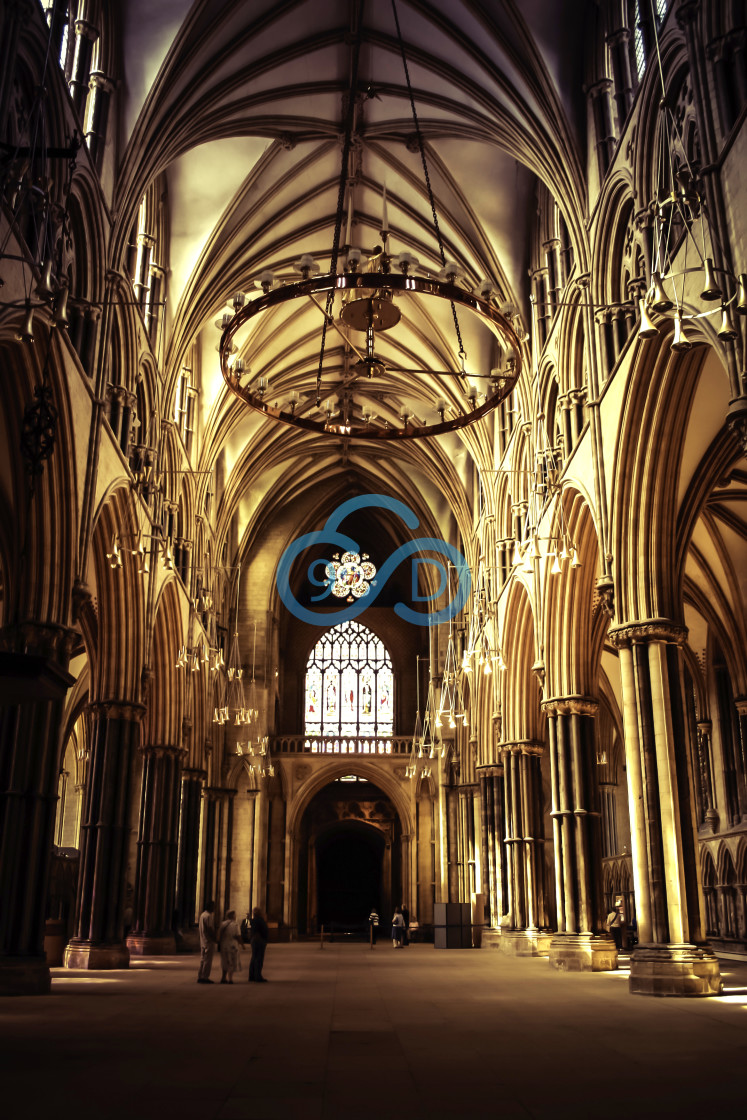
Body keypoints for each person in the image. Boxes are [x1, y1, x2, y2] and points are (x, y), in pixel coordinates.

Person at [218, 908, 243, 983]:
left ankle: (223, 978)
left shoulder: (223, 924)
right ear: (233, 916)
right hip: (233, 945)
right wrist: (242, 944)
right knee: (232, 961)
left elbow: (219, 934)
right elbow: (238, 935)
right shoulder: (235, 924)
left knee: (225, 961)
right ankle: (230, 979)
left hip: (224, 945)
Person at [197, 900, 217, 984]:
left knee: (203, 959)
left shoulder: (202, 915)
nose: (214, 908)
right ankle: (205, 977)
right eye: (213, 906)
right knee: (207, 960)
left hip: (203, 940)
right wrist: (215, 939)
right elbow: (209, 929)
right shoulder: (208, 916)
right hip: (208, 941)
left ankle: (200, 976)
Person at [248, 907, 269, 982]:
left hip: (255, 940)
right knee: (259, 958)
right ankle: (257, 976)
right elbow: (263, 930)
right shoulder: (259, 920)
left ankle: (252, 975)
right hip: (259, 940)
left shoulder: (254, 920)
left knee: (254, 957)